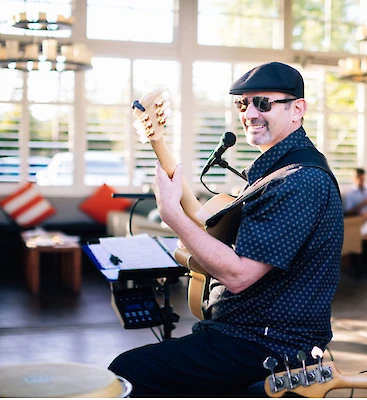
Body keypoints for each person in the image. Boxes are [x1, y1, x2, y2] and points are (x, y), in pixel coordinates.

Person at [108, 61, 344, 397]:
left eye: (263, 103)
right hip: (244, 332)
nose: (250, 113)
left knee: (127, 373)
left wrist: (172, 216)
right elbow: (211, 227)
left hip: (271, 343)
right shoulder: (276, 172)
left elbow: (239, 275)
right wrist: (169, 173)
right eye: (242, 104)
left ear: (297, 109)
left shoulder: (299, 181)